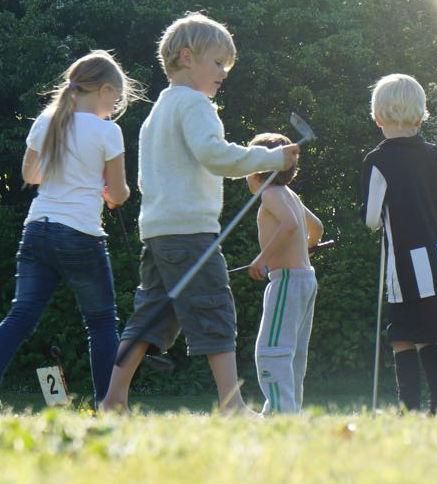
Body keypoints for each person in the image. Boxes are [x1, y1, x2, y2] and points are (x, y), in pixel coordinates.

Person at [99, 13, 299, 414]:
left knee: (151, 316)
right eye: (218, 62)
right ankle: (232, 406)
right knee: (214, 311)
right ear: (187, 57)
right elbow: (215, 155)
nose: (224, 72)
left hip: (158, 232)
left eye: (227, 65)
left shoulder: (161, 108)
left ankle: (114, 399)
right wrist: (272, 156)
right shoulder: (195, 104)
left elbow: (148, 176)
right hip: (190, 233)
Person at [0, 50, 142, 404]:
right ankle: (107, 404)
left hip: (37, 228)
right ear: (104, 89)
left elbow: (30, 175)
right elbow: (121, 192)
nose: (116, 105)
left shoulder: (46, 122)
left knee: (20, 317)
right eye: (116, 98)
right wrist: (108, 192)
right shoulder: (107, 131)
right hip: (80, 233)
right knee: (101, 322)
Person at [361, 74, 437, 414]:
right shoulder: (435, 154)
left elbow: (372, 219)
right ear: (420, 115)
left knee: (401, 332)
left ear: (378, 117)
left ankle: (409, 407)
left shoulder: (378, 159)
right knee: (428, 332)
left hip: (405, 261)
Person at [243, 133, 323, 414]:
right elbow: (317, 228)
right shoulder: (290, 195)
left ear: (258, 170)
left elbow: (289, 224)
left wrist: (261, 259)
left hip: (286, 280)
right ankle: (289, 409)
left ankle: (279, 413)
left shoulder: (269, 194)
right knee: (294, 354)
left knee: (271, 351)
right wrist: (307, 247)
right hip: (306, 279)